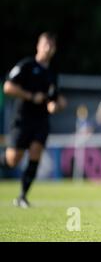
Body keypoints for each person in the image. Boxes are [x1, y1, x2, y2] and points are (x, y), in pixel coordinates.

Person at [0, 32, 66, 208]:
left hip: (41, 121)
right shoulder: (27, 65)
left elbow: (56, 98)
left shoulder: (52, 73)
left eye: (51, 45)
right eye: (45, 43)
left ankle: (22, 196)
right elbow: (7, 87)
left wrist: (56, 105)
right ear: (38, 45)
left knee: (36, 151)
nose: (48, 47)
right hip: (22, 119)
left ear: (55, 49)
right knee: (13, 159)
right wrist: (30, 96)